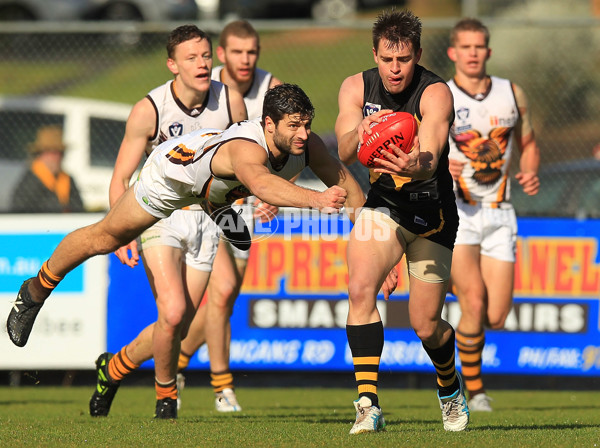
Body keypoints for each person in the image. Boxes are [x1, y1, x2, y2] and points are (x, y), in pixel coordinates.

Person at [6, 83, 366, 419]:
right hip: (170, 179)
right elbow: (261, 184)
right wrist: (316, 199)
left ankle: (217, 202)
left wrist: (376, 250)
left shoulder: (307, 145)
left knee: (178, 318)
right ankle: (34, 290)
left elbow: (349, 188)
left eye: (307, 125)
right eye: (294, 126)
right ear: (269, 124)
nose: (303, 134)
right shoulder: (247, 147)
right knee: (106, 238)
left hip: (211, 186)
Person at [86, 24, 247, 419]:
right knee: (173, 314)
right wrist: (121, 231)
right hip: (160, 217)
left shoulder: (230, 101)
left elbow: (245, 161)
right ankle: (165, 397)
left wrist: (249, 197)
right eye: (191, 58)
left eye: (206, 56)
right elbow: (120, 178)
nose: (202, 63)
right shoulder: (151, 109)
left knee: (175, 326)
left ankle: (113, 368)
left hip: (207, 223)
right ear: (172, 64)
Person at [335, 9, 469, 434]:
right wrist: (361, 133)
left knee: (425, 324)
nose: (395, 69)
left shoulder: (435, 93)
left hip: (432, 215)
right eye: (387, 59)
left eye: (405, 59)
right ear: (374, 53)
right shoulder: (356, 87)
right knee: (360, 288)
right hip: (384, 207)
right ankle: (367, 404)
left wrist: (417, 162)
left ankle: (449, 388)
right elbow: (341, 149)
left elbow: (430, 155)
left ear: (418, 56)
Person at [176, 19, 282, 412]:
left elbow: (295, 143)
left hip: (246, 207)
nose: (245, 59)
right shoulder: (208, 86)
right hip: (206, 205)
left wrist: (272, 191)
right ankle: (223, 388)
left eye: (251, 51)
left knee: (226, 298)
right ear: (221, 55)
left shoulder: (274, 89)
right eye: (236, 52)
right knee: (220, 293)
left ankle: (179, 358)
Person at [446, 18, 540, 412]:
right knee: (474, 299)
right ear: (452, 52)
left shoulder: (511, 93)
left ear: (488, 51)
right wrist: (438, 167)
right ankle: (476, 391)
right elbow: (419, 150)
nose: (472, 53)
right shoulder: (441, 95)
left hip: (501, 213)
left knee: (496, 315)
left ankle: (443, 289)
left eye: (478, 46)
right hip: (460, 213)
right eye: (464, 46)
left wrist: (531, 170)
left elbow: (529, 141)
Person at [10, 125, 84, 213]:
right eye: (52, 152)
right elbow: (20, 209)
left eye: (60, 152)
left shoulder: (67, 179)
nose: (57, 157)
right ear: (40, 153)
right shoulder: (30, 180)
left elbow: (79, 206)